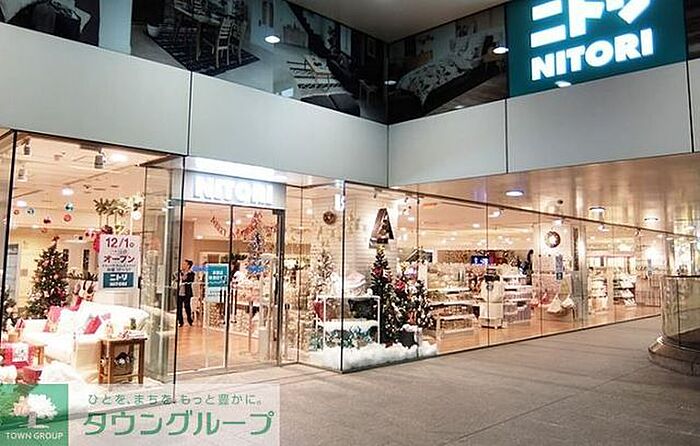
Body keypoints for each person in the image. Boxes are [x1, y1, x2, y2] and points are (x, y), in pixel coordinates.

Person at [177, 259, 195, 327]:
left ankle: (189, 320)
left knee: (187, 307)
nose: (183, 265)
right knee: (179, 307)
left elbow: (190, 281)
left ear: (188, 266)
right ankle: (180, 321)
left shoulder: (191, 273)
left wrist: (184, 278)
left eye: (184, 264)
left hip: (187, 293)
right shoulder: (179, 272)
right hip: (179, 292)